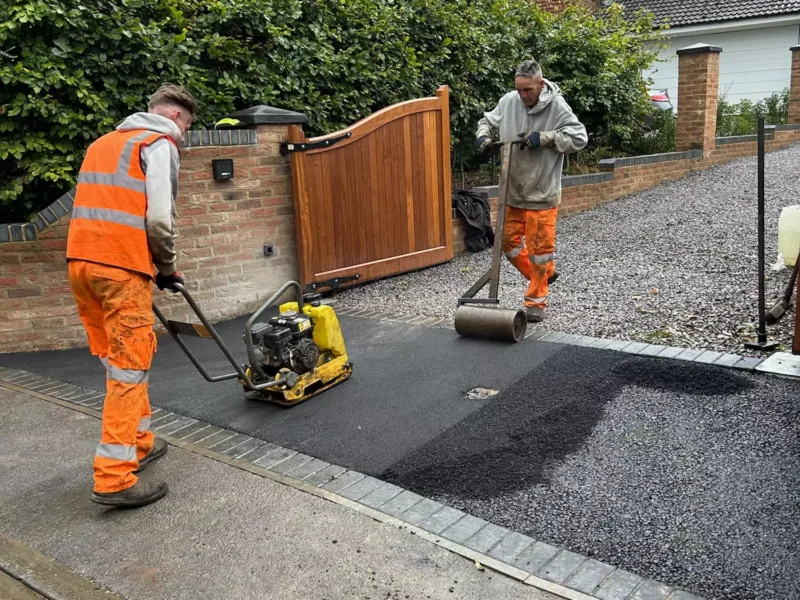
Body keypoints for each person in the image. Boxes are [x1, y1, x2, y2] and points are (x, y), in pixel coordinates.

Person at [66, 83, 197, 507]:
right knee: (129, 370)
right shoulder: (159, 144)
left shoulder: (102, 144)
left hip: (81, 266)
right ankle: (114, 479)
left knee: (120, 365)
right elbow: (159, 218)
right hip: (121, 269)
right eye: (188, 128)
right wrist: (166, 268)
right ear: (177, 117)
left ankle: (139, 443)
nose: (185, 137)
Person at [475, 59, 587, 323]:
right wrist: (483, 136)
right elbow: (486, 120)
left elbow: (579, 137)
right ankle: (545, 274)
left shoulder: (557, 107)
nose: (523, 95)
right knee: (507, 242)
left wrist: (546, 137)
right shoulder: (509, 101)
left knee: (539, 250)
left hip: (542, 191)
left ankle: (536, 300)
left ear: (541, 84)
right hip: (512, 189)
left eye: (528, 90)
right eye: (520, 90)